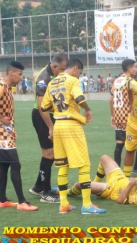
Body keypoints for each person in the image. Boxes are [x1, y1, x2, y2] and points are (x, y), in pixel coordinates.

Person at [41, 58, 106, 214]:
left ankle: (63, 204)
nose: (79, 75)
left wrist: (59, 106)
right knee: (84, 165)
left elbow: (44, 106)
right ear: (76, 68)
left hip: (58, 126)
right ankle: (87, 205)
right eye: (80, 72)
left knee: (63, 165)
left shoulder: (53, 82)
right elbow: (79, 98)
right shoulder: (72, 81)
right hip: (71, 125)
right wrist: (87, 109)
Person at [0, 61, 38, 211]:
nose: (21, 77)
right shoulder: (1, 86)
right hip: (1, 133)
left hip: (5, 132)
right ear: (11, 73)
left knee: (5, 163)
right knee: (15, 164)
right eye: (20, 74)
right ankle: (22, 202)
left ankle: (2, 200)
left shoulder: (7, 87)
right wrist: (1, 117)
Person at [30, 53, 68, 203]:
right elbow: (41, 107)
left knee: (52, 153)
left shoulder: (54, 74)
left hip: (50, 115)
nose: (63, 72)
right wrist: (50, 127)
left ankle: (38, 187)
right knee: (48, 153)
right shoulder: (44, 77)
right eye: (62, 69)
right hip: (42, 116)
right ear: (54, 66)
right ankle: (45, 193)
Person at [69, 155, 137, 205]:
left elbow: (121, 200)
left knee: (80, 184)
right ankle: (96, 181)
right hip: (119, 177)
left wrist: (131, 184)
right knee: (104, 158)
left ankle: (67, 192)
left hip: (110, 189)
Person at [110, 72, 137, 176]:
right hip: (130, 117)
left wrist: (112, 115)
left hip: (118, 116)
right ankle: (136, 167)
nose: (136, 69)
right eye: (134, 67)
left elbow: (111, 99)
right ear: (130, 68)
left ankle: (116, 171)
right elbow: (134, 99)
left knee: (120, 143)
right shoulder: (130, 81)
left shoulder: (116, 81)